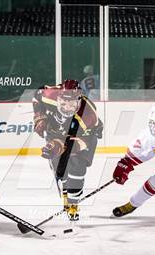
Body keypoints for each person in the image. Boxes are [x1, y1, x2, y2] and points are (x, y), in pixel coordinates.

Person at [32, 79, 103, 221]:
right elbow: (36, 96)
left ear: (79, 100)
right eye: (63, 102)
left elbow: (77, 144)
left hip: (82, 136)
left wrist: (57, 146)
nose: (67, 107)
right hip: (56, 132)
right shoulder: (49, 95)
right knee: (60, 171)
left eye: (72, 104)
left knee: (77, 168)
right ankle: (65, 192)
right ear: (58, 97)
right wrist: (40, 118)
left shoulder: (87, 116)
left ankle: (73, 205)